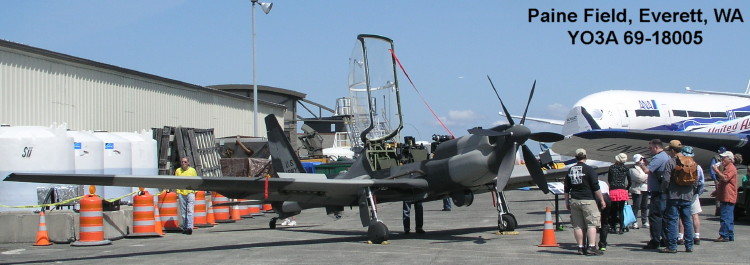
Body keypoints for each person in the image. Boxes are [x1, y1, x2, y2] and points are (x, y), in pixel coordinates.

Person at [564, 148, 606, 256]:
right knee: (592, 224)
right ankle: (591, 246)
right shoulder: (589, 169)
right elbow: (595, 186)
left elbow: (566, 188)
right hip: (588, 200)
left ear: (575, 157)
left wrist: (567, 202)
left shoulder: (570, 170)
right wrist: (601, 200)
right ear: (585, 157)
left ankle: (580, 247)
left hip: (575, 200)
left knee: (578, 226)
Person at [660, 140, 695, 253]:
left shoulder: (671, 162)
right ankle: (689, 246)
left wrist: (664, 190)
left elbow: (666, 179)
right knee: (687, 221)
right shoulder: (690, 161)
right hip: (687, 195)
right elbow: (696, 179)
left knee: (672, 221)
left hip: (674, 195)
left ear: (673, 150)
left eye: (669, 150)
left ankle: (672, 246)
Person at [638, 139, 670, 249]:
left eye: (651, 148)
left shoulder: (658, 157)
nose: (650, 150)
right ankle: (665, 239)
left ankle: (655, 240)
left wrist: (641, 164)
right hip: (664, 191)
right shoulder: (666, 156)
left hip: (658, 191)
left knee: (655, 215)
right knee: (664, 216)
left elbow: (647, 171)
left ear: (656, 147)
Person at [677, 146, 704, 245]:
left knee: (682, 215)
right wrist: (697, 192)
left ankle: (680, 236)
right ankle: (697, 236)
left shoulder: (680, 165)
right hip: (693, 193)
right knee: (695, 215)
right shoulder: (697, 166)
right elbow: (701, 182)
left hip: (683, 192)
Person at [712, 150, 738, 242]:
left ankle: (724, 235)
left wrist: (716, 170)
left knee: (725, 217)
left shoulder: (731, 168)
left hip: (728, 196)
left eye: (724, 158)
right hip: (726, 195)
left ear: (729, 159)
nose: (721, 159)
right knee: (729, 217)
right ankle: (730, 234)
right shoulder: (728, 168)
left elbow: (725, 178)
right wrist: (717, 191)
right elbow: (724, 182)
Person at [607, 153, 631, 234]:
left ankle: (613, 227)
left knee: (613, 210)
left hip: (614, 189)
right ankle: (621, 227)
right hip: (622, 189)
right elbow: (630, 181)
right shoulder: (625, 168)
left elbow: (609, 179)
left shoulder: (612, 168)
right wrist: (626, 188)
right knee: (621, 210)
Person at [175, 157, 198, 235]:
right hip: (181, 192)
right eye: (182, 162)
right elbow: (176, 181)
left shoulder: (192, 170)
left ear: (188, 163)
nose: (183, 163)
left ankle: (189, 227)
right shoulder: (178, 171)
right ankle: (185, 227)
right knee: (183, 212)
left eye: (185, 162)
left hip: (190, 192)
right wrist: (178, 192)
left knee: (190, 210)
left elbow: (196, 181)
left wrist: (195, 191)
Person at [629, 154, 649, 229]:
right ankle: (634, 222)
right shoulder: (632, 169)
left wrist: (646, 176)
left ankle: (644, 222)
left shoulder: (644, 168)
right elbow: (640, 178)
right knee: (636, 206)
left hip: (645, 189)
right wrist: (647, 175)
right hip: (637, 190)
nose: (643, 161)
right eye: (641, 159)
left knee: (644, 206)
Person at [597, 180, 611, 251]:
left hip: (596, 197)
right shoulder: (603, 182)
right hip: (606, 197)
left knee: (590, 223)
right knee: (604, 221)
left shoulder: (589, 182)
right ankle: (603, 244)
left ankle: (590, 244)